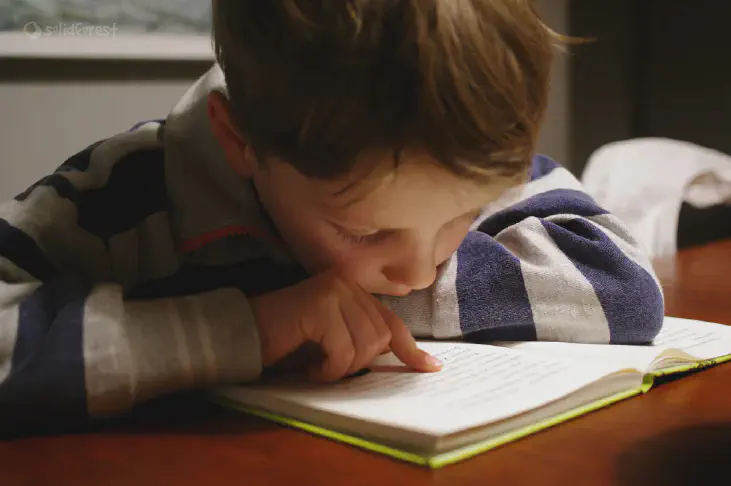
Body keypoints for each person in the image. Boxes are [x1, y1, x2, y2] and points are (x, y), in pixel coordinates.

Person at [0, 0, 664, 435]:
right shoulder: (112, 198)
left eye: (462, 216)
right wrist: (249, 324)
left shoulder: (453, 145)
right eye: (366, 231)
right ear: (240, 144)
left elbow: (622, 285)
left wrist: (355, 311)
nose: (415, 270)